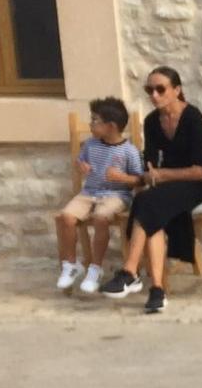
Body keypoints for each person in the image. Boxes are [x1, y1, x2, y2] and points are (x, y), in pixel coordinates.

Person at [104, 66, 202, 315]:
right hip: (166, 188)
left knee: (147, 203)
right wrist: (147, 174)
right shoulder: (152, 121)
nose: (154, 95)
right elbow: (151, 161)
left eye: (160, 89)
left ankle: (130, 272)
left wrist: (163, 174)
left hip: (198, 185)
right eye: (149, 90)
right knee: (150, 206)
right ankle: (156, 289)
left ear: (177, 90)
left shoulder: (194, 119)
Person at [54, 97, 141, 297]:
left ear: (110, 126)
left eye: (95, 121)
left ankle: (95, 268)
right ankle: (71, 264)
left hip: (116, 194)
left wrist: (122, 177)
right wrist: (81, 166)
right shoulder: (91, 145)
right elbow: (80, 161)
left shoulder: (129, 151)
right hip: (89, 192)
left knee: (101, 218)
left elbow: (138, 180)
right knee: (66, 217)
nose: (91, 124)